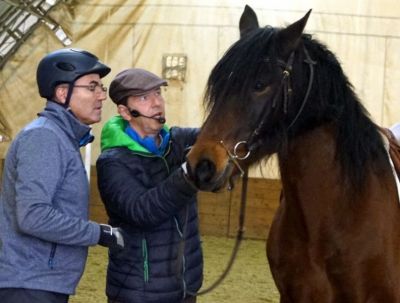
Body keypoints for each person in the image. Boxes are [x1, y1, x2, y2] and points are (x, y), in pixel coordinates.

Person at [0, 48, 125, 303]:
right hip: (29, 285)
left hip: (40, 282)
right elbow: (33, 216)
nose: (102, 95)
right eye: (92, 87)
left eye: (101, 87)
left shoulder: (61, 138)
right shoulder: (44, 137)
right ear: (62, 93)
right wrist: (98, 233)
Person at [96, 68, 203, 303]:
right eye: (144, 98)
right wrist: (188, 174)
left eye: (157, 93)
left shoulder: (178, 140)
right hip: (138, 293)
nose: (157, 103)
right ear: (125, 112)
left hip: (187, 287)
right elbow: (143, 212)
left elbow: (221, 135)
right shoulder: (112, 161)